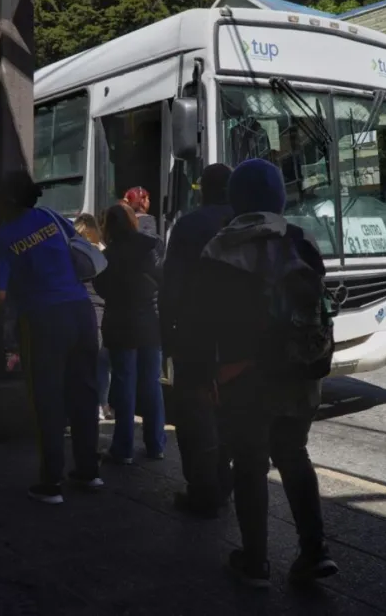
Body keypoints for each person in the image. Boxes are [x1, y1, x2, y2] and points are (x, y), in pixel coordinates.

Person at [188, 158, 338, 588]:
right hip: (302, 370)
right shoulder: (303, 239)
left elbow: (203, 322)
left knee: (250, 464)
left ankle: (255, 561)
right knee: (294, 456)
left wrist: (203, 377)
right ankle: (315, 551)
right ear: (278, 195)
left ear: (237, 197)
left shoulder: (220, 246)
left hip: (245, 377)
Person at [0, 169, 102, 504]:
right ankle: (89, 471)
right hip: (82, 311)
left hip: (43, 319)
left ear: (5, 200)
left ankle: (51, 483)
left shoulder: (3, 239)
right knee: (84, 393)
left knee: (46, 398)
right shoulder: (52, 217)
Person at [159, 163, 235, 518]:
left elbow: (170, 287)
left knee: (194, 418)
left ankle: (202, 491)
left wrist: (166, 338)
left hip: (195, 335)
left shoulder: (188, 225)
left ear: (202, 189)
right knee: (229, 416)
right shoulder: (245, 221)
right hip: (239, 338)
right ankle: (225, 482)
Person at [93, 203, 166, 464]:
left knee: (124, 384)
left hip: (121, 325)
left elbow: (101, 288)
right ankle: (156, 444)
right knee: (152, 385)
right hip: (150, 323)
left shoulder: (108, 255)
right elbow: (163, 278)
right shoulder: (152, 244)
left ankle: (123, 449)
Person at [74, 213, 112, 421]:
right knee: (103, 362)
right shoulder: (102, 252)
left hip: (84, 310)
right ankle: (102, 404)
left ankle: (95, 404)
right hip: (102, 309)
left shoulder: (73, 252)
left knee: (89, 361)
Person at [123, 186, 165, 262]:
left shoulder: (121, 229)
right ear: (142, 201)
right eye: (147, 198)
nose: (149, 201)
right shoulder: (148, 222)